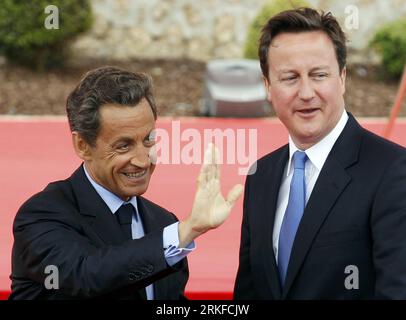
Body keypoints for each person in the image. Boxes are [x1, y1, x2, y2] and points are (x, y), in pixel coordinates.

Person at [10, 66, 243, 300]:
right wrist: (187, 230)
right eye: (123, 146)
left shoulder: (163, 223)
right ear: (82, 145)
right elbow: (85, 276)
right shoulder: (41, 215)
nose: (143, 160)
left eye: (149, 140)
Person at [234, 7, 406, 299]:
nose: (306, 93)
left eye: (319, 75)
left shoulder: (393, 172)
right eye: (290, 77)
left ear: (342, 77)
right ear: (267, 86)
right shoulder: (260, 175)